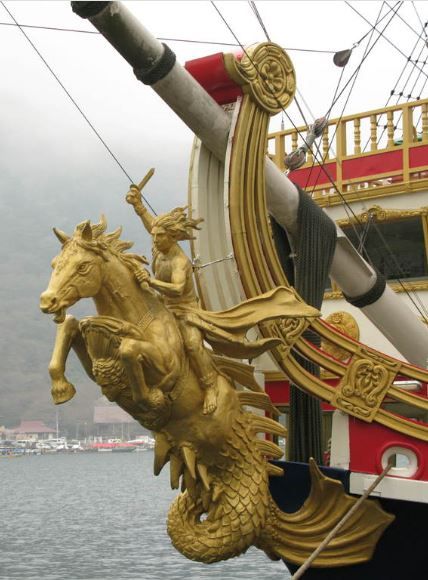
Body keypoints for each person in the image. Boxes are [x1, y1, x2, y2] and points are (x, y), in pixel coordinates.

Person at [126, 185, 218, 415]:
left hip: (185, 310)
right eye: (154, 236)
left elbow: (177, 289)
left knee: (193, 345)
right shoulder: (160, 248)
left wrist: (150, 281)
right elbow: (151, 225)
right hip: (162, 307)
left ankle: (210, 387)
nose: (155, 240)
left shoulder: (180, 261)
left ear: (172, 236)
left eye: (160, 237)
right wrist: (138, 205)